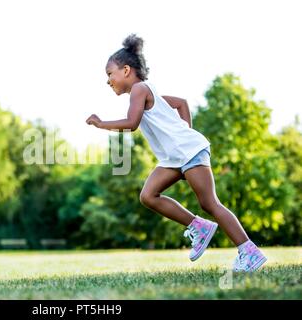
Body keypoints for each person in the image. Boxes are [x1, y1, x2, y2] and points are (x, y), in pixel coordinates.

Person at [86, 34, 267, 272]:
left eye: (110, 74)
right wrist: (181, 136)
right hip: (176, 157)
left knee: (209, 202)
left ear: (126, 70)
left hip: (188, 152)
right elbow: (181, 103)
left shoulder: (140, 89)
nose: (108, 80)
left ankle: (249, 252)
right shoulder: (147, 93)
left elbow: (132, 123)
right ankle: (199, 227)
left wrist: (101, 124)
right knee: (148, 195)